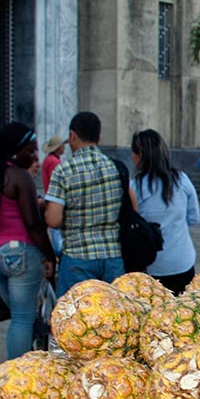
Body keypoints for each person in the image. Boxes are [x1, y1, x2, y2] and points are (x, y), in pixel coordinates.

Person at [0, 123, 56, 359]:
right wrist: (49, 256)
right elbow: (33, 224)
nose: (34, 156)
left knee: (20, 316)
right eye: (30, 151)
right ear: (17, 150)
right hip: (18, 255)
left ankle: (21, 370)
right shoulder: (19, 177)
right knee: (22, 318)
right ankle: (19, 379)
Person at [44, 111, 126, 296]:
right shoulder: (115, 167)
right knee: (114, 317)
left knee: (74, 318)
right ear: (99, 137)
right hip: (112, 255)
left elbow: (54, 220)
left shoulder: (63, 171)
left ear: (72, 136)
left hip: (77, 256)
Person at [130, 129, 200, 295]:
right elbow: (194, 218)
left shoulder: (135, 187)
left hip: (151, 266)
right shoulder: (182, 180)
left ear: (140, 155)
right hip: (182, 261)